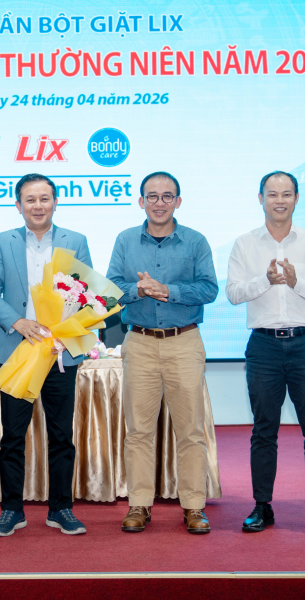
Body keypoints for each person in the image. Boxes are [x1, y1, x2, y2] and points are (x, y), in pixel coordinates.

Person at [226, 171, 305, 537]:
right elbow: (233, 294)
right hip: (264, 346)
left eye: (286, 194)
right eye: (272, 194)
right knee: (264, 431)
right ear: (260, 198)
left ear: (296, 198)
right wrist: (266, 281)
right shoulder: (245, 244)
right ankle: (262, 506)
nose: (279, 200)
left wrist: (296, 282)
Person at [106, 172, 219, 535]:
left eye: (167, 196)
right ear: (141, 201)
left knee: (191, 431)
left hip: (184, 341)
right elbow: (110, 290)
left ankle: (194, 506)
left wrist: (168, 291)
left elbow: (209, 289)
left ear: (178, 202)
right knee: (138, 431)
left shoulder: (195, 241)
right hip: (139, 342)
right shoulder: (125, 240)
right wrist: (139, 290)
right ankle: (139, 504)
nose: (159, 202)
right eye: (152, 196)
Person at [0, 173, 92, 537]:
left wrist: (64, 329)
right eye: (30, 199)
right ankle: (12, 510)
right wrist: (16, 321)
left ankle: (61, 509)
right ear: (18, 205)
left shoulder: (76, 241)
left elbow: (88, 295)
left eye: (45, 198)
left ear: (55, 202)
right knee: (12, 437)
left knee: (62, 436)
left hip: (60, 353)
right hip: (18, 351)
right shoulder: (3, 241)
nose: (38, 205)